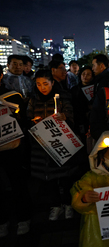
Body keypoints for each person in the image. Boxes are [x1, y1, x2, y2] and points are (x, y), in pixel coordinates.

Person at [27, 68, 77, 221]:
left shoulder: (60, 99)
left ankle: (68, 204)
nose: (42, 87)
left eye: (45, 84)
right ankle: (55, 205)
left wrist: (64, 117)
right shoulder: (32, 100)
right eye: (39, 84)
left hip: (59, 143)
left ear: (52, 83)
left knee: (65, 177)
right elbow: (28, 119)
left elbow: (71, 117)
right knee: (49, 178)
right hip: (41, 145)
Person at [0, 64, 32, 237]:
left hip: (12, 147)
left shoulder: (12, 96)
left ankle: (23, 218)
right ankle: (2, 220)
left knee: (18, 183)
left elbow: (24, 120)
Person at [71, 66, 95, 143]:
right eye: (83, 74)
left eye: (88, 74)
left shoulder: (96, 89)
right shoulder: (74, 90)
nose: (85, 76)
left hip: (91, 120)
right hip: (78, 121)